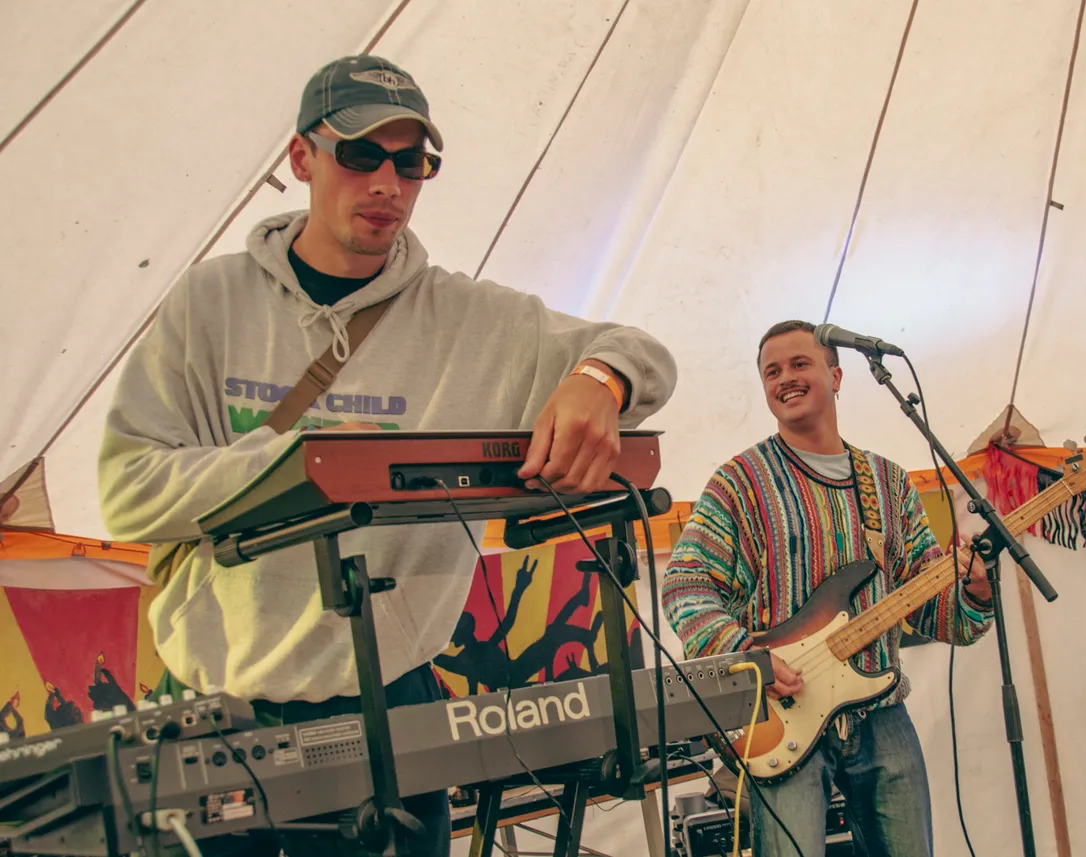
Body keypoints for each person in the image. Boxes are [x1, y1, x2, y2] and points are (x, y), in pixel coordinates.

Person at [97, 54, 677, 857]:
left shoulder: (469, 318)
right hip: (218, 709)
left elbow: (645, 354)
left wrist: (599, 379)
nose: (387, 183)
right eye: (361, 153)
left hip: (388, 710)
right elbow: (126, 490)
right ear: (302, 157)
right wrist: (299, 467)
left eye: (412, 163)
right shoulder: (209, 302)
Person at [661, 320, 992, 857]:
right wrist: (747, 658)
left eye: (799, 364)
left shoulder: (888, 482)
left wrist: (974, 594)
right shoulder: (739, 483)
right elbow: (685, 586)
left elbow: (931, 609)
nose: (785, 379)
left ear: (836, 376)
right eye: (772, 372)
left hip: (881, 710)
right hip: (781, 715)